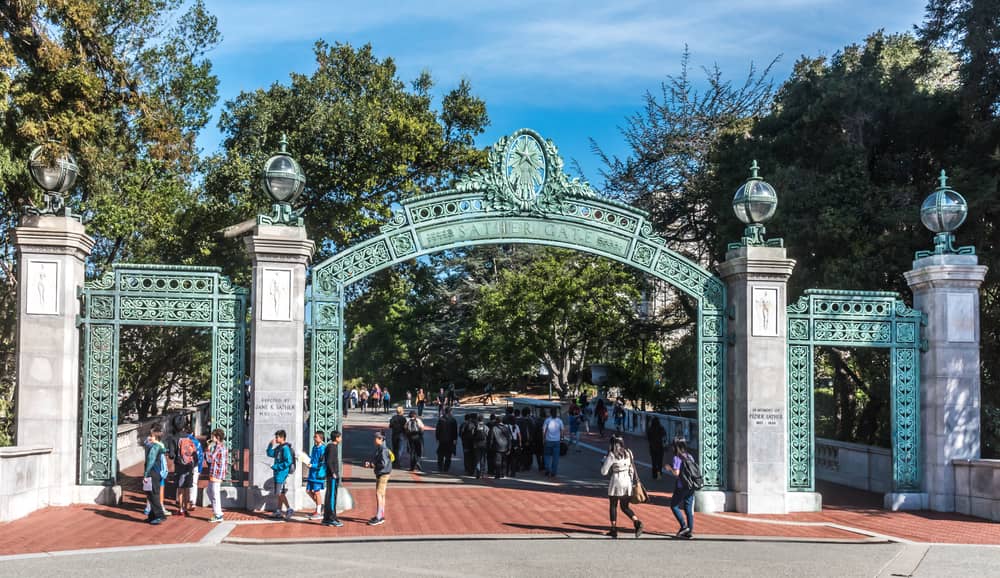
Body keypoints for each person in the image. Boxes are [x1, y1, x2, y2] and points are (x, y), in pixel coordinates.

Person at [600, 435, 643, 539]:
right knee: (625, 506)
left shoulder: (612, 455)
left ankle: (614, 528)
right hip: (627, 481)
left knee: (613, 505)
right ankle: (637, 521)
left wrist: (603, 462)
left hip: (616, 481)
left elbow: (604, 472)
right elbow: (632, 468)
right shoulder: (628, 452)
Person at [664, 437, 696, 538]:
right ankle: (690, 531)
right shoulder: (690, 456)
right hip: (691, 486)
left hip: (681, 486)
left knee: (674, 505)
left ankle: (683, 526)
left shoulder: (677, 458)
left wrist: (669, 468)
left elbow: (676, 473)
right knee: (688, 508)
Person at [362, 431, 392, 525]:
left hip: (383, 473)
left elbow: (383, 463)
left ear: (381, 439)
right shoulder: (381, 448)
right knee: (382, 494)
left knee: (379, 494)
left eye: (376, 438)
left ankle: (379, 516)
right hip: (382, 473)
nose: (374, 440)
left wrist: (372, 465)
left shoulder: (383, 450)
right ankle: (381, 514)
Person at [266, 430, 295, 520]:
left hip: (282, 473)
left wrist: (276, 466)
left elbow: (288, 461)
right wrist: (270, 445)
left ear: (282, 438)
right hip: (278, 473)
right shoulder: (279, 448)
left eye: (277, 437)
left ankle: (289, 509)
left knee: (279, 493)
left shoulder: (285, 448)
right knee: (280, 493)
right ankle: (278, 511)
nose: (276, 439)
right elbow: (270, 453)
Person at [143, 424, 168, 525]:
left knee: (153, 494)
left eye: (151, 435)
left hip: (152, 472)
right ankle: (152, 515)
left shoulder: (155, 447)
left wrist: (145, 474)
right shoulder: (159, 446)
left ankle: (159, 515)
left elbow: (150, 461)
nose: (149, 437)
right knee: (151, 493)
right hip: (157, 473)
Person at [174, 424, 199, 517]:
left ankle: (180, 509)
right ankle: (186, 508)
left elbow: (174, 454)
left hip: (180, 467)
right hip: (189, 467)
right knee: (187, 489)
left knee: (180, 489)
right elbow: (196, 457)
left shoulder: (179, 441)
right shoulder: (191, 442)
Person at [205, 428, 228, 523]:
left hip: (216, 473)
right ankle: (217, 511)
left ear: (217, 437)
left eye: (213, 436)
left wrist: (207, 449)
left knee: (214, 493)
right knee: (210, 491)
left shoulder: (218, 447)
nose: (211, 438)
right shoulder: (221, 446)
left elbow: (210, 459)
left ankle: (218, 514)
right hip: (216, 472)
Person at [321, 430, 343, 527]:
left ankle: (326, 518)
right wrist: (333, 473)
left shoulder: (331, 446)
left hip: (331, 475)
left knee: (330, 495)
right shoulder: (332, 447)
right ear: (337, 438)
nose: (341, 439)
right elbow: (329, 461)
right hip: (332, 476)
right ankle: (331, 518)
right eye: (340, 437)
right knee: (332, 497)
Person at [306, 431, 327, 520]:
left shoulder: (323, 449)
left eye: (316, 437)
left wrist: (313, 465)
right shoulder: (314, 447)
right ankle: (320, 506)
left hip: (318, 474)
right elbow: (313, 458)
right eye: (314, 436)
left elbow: (322, 463)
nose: (314, 438)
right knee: (308, 491)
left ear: (320, 438)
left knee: (317, 492)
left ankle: (318, 511)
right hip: (311, 473)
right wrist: (306, 459)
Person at [183, 426, 204, 513]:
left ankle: (181, 501)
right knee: (194, 483)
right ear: (192, 433)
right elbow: (201, 456)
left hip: (184, 465)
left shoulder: (182, 441)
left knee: (183, 484)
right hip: (195, 465)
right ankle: (192, 501)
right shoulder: (196, 442)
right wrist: (200, 468)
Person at [487, 414, 512, 479]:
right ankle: (503, 473)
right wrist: (509, 447)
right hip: (505, 446)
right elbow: (509, 438)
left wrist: (490, 446)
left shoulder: (494, 428)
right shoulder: (506, 428)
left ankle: (498, 474)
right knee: (504, 461)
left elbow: (491, 438)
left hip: (497, 447)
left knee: (498, 461)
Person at [542, 407, 565, 477]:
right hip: (557, 441)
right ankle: (553, 472)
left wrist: (543, 439)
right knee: (555, 457)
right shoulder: (559, 421)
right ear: (556, 413)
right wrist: (562, 438)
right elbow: (562, 430)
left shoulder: (547, 420)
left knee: (547, 456)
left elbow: (544, 431)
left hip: (548, 440)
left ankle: (547, 469)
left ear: (550, 413)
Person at [435, 406, 459, 472]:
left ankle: (440, 467)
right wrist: (455, 439)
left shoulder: (441, 419)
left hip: (442, 439)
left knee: (441, 454)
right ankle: (446, 468)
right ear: (450, 412)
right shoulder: (453, 420)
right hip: (450, 440)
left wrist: (437, 438)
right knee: (448, 454)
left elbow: (437, 430)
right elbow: (455, 431)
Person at [472, 413, 490, 478]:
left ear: (477, 419)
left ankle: (478, 473)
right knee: (483, 459)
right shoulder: (486, 427)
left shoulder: (475, 426)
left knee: (477, 459)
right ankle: (482, 473)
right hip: (484, 444)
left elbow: (472, 434)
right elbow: (488, 435)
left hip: (477, 444)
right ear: (483, 420)